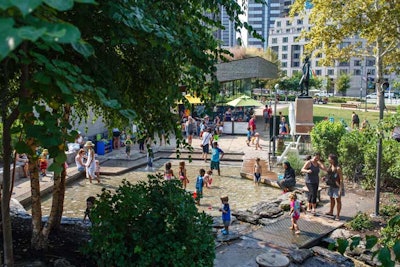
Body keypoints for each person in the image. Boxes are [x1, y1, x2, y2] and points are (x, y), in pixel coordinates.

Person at [324, 154, 345, 221]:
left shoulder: (338, 168)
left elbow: (341, 179)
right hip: (332, 185)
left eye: (329, 158)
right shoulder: (330, 166)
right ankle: (331, 212)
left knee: (338, 200)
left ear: (333, 159)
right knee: (331, 199)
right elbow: (330, 175)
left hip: (337, 186)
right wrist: (325, 178)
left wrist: (340, 189)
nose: (328, 159)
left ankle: (338, 215)